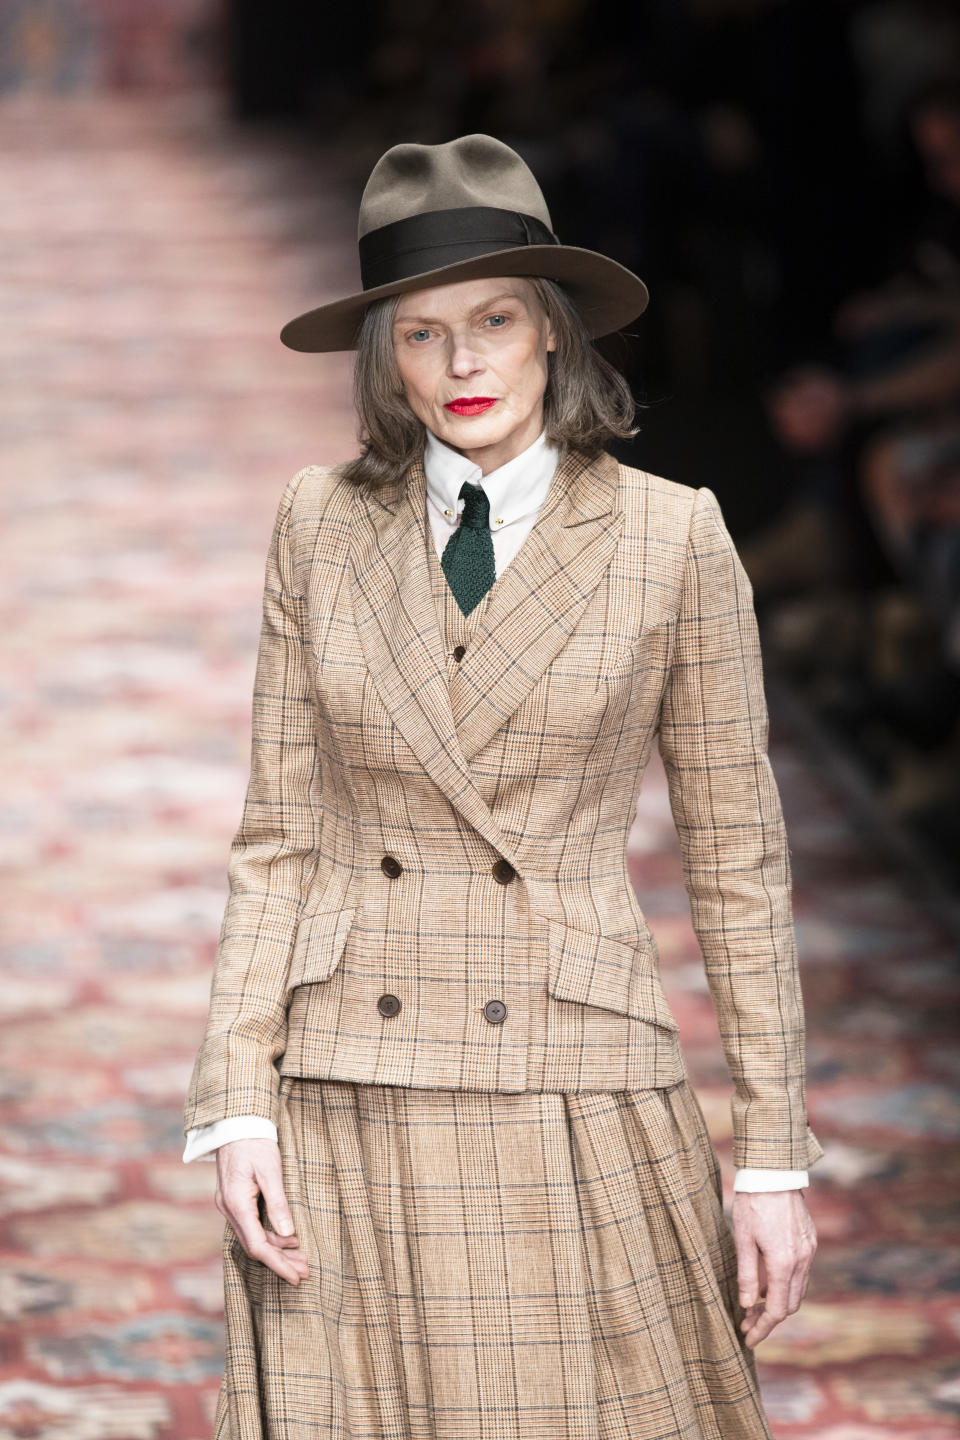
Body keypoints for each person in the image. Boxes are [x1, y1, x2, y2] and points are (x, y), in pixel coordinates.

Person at [182, 133, 824, 1440]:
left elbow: (738, 861)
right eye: (419, 334)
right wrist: (236, 1095)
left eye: (492, 321)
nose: (460, 364)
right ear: (385, 357)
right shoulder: (318, 521)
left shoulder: (670, 538)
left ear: (554, 334)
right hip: (350, 1069)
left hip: (573, 1063)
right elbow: (280, 839)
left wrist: (771, 1153)